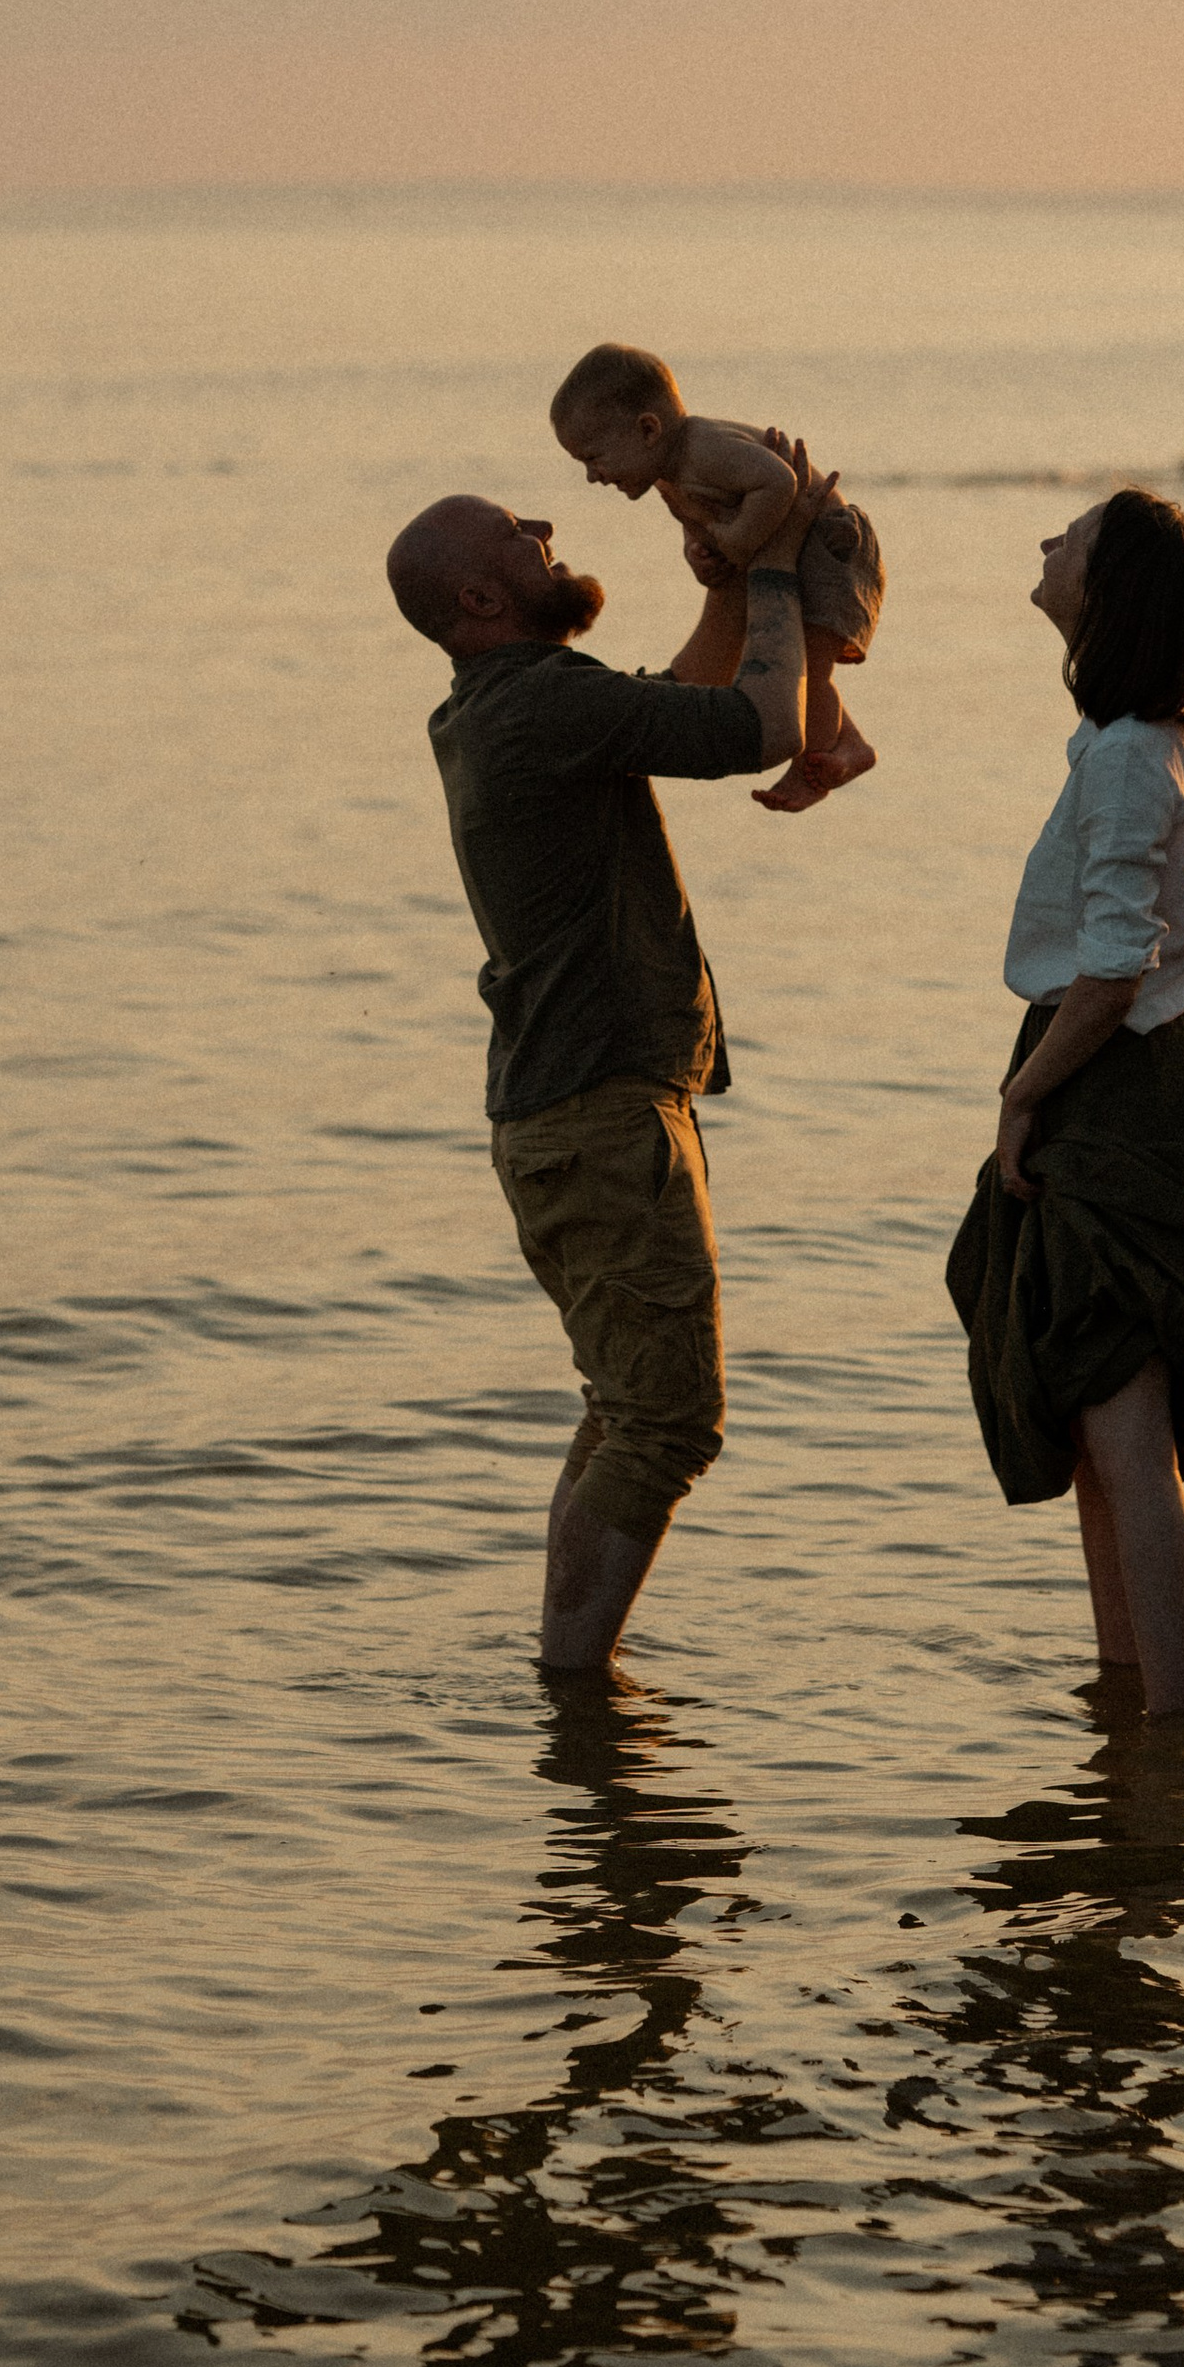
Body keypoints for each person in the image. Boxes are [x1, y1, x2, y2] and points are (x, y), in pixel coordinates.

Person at [386, 460, 833, 1672]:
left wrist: (734, 583)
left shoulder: (509, 705)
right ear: (482, 600)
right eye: (518, 535)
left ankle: (571, 1673)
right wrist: (784, 560)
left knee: (625, 1408)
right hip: (596, 1118)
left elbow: (676, 700)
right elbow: (756, 725)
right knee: (665, 1419)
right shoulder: (538, 707)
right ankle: (574, 1687)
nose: (546, 529)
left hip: (568, 1116)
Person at [946, 488, 1184, 1720]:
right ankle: (1126, 1702)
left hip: (1115, 1076)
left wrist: (1023, 1093)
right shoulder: (1146, 741)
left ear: (1110, 590)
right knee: (1097, 1420)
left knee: (1124, 1433)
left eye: (1068, 540)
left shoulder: (1137, 753)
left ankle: (1168, 1730)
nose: (1043, 546)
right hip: (1136, 1067)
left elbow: (1116, 963)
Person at [548, 341, 885, 813]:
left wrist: (742, 542)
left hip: (829, 542)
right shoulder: (670, 475)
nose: (592, 476)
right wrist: (699, 553)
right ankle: (850, 745)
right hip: (798, 545)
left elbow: (779, 482)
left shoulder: (705, 449)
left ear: (648, 429)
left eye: (594, 458)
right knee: (779, 655)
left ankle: (819, 763)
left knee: (810, 664)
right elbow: (698, 524)